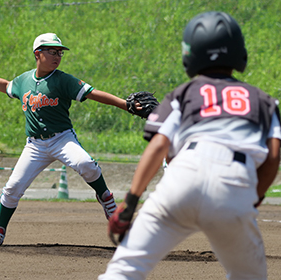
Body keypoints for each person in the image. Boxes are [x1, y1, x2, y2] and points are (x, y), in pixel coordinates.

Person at [100, 11, 281, 280]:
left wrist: (129, 205)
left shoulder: (184, 93)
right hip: (234, 184)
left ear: (190, 54)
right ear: (238, 52)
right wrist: (252, 199)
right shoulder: (263, 100)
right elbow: (273, 156)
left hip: (182, 178)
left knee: (124, 270)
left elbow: (159, 146)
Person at [0, 32, 145, 246]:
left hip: (62, 139)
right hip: (35, 146)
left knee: (86, 164)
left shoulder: (63, 80)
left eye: (59, 52)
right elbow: (7, 86)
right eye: (52, 51)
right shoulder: (24, 80)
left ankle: (105, 197)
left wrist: (125, 104)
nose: (57, 56)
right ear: (37, 54)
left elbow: (93, 93)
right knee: (12, 188)